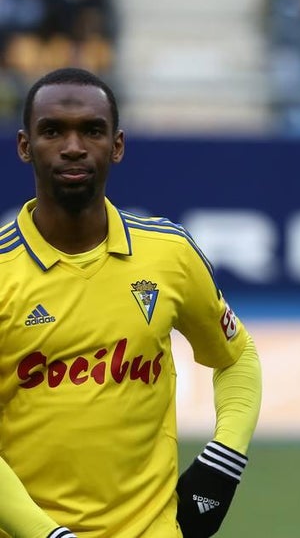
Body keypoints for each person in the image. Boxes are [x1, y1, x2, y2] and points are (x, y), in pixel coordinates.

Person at [0, 68, 262, 538]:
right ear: (24, 146)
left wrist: (224, 462)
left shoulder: (169, 253)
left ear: (117, 145)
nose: (74, 146)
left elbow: (237, 357)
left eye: (92, 130)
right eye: (53, 130)